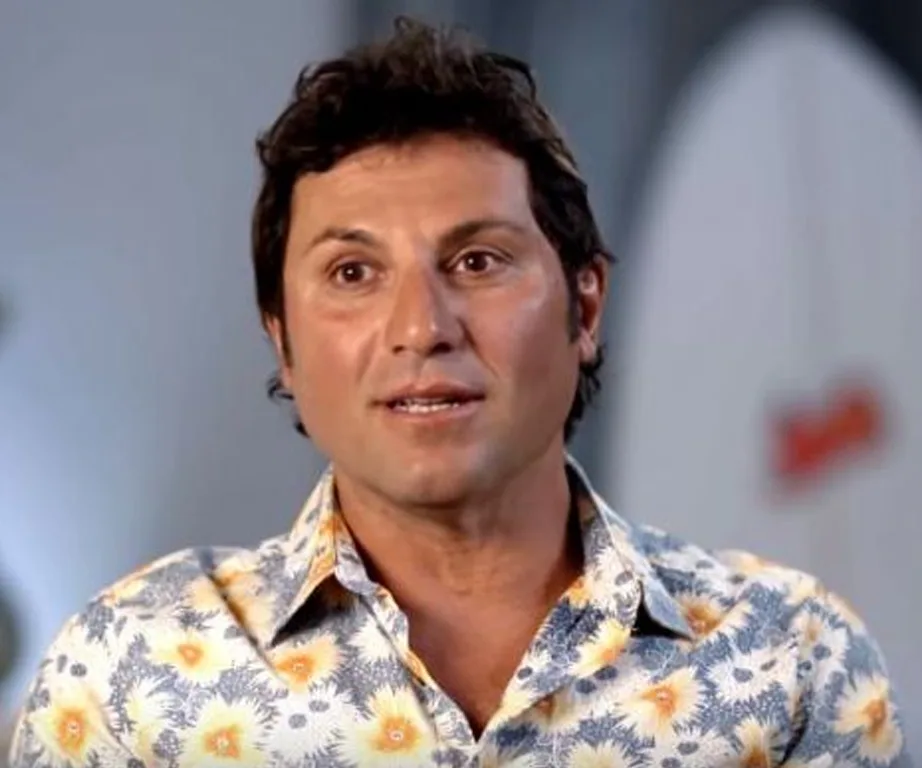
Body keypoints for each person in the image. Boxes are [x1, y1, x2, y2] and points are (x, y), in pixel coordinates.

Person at [9, 17, 907, 768]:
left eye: (478, 261)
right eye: (353, 272)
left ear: (586, 306)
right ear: (282, 340)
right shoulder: (130, 672)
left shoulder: (792, 658)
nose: (422, 326)